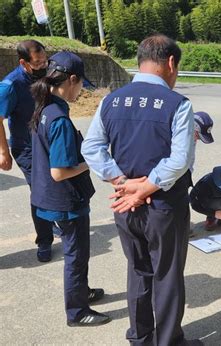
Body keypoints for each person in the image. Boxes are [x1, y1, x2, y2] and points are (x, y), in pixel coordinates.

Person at [81, 34, 201, 345]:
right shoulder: (178, 104)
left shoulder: (111, 99)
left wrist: (122, 183)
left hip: (125, 206)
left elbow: (92, 147)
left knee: (138, 270)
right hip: (164, 205)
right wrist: (144, 188)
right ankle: (168, 341)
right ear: (171, 63)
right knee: (167, 274)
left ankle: (140, 337)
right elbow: (180, 160)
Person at [29, 51, 110, 326]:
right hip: (65, 202)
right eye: (80, 85)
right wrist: (90, 162)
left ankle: (81, 292)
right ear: (71, 80)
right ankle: (77, 312)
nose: (80, 91)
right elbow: (60, 171)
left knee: (76, 254)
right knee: (76, 256)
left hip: (48, 197)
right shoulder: (60, 119)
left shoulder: (44, 107)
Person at [0, 40, 58, 262]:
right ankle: (44, 240)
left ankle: (52, 222)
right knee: (40, 190)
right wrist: (3, 152)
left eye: (45, 60)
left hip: (49, 142)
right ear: (23, 62)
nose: (43, 65)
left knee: (55, 184)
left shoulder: (44, 73)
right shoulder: (10, 85)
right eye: (38, 62)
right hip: (26, 147)